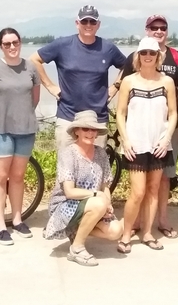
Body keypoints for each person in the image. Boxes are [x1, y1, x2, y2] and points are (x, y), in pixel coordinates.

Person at [117, 14, 178, 239]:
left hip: (162, 137)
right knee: (138, 191)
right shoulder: (131, 72)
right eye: (154, 27)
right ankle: (131, 229)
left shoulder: (176, 61)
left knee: (161, 182)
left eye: (163, 27)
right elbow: (119, 99)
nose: (159, 31)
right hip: (137, 139)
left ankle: (158, 224)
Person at [29, 5, 126, 148]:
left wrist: (116, 86)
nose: (88, 25)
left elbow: (129, 66)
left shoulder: (107, 48)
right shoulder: (62, 45)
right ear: (77, 23)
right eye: (84, 21)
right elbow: (34, 60)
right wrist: (50, 86)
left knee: (96, 166)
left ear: (98, 25)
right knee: (65, 166)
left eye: (92, 22)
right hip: (68, 117)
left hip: (97, 118)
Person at [0, 27, 41, 245]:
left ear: (20, 42)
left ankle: (17, 219)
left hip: (25, 130)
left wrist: (21, 115)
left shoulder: (30, 67)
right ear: (0, 46)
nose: (12, 47)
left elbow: (35, 98)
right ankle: (0, 225)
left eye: (15, 42)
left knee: (18, 176)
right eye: (7, 44)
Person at [114, 37, 178, 253]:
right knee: (138, 192)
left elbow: (173, 113)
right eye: (144, 53)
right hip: (136, 144)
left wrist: (167, 137)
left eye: (152, 53)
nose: (148, 57)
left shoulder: (167, 82)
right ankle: (125, 235)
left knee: (153, 190)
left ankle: (148, 233)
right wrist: (125, 140)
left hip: (159, 144)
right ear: (138, 56)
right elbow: (120, 113)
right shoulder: (128, 81)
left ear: (158, 56)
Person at [42, 110, 124, 267]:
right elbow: (69, 191)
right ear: (76, 131)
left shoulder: (101, 154)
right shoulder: (68, 154)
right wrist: (98, 196)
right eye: (85, 129)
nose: (90, 133)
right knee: (98, 203)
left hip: (93, 204)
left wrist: (108, 203)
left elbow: (105, 185)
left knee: (116, 231)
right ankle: (77, 248)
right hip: (65, 205)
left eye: (93, 129)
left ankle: (76, 230)